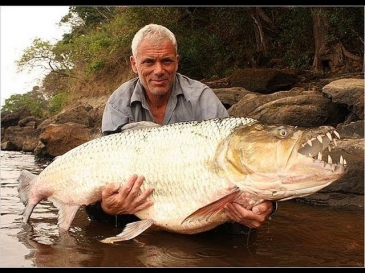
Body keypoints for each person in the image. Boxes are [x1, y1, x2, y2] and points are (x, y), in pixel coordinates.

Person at [85, 23, 277, 234]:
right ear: (134, 64)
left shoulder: (202, 97)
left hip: (196, 194)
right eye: (149, 62)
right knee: (98, 215)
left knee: (239, 225)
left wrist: (267, 204)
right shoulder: (118, 103)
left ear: (176, 62)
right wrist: (107, 207)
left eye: (166, 61)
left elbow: (238, 163)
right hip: (139, 199)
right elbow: (103, 169)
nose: (159, 71)